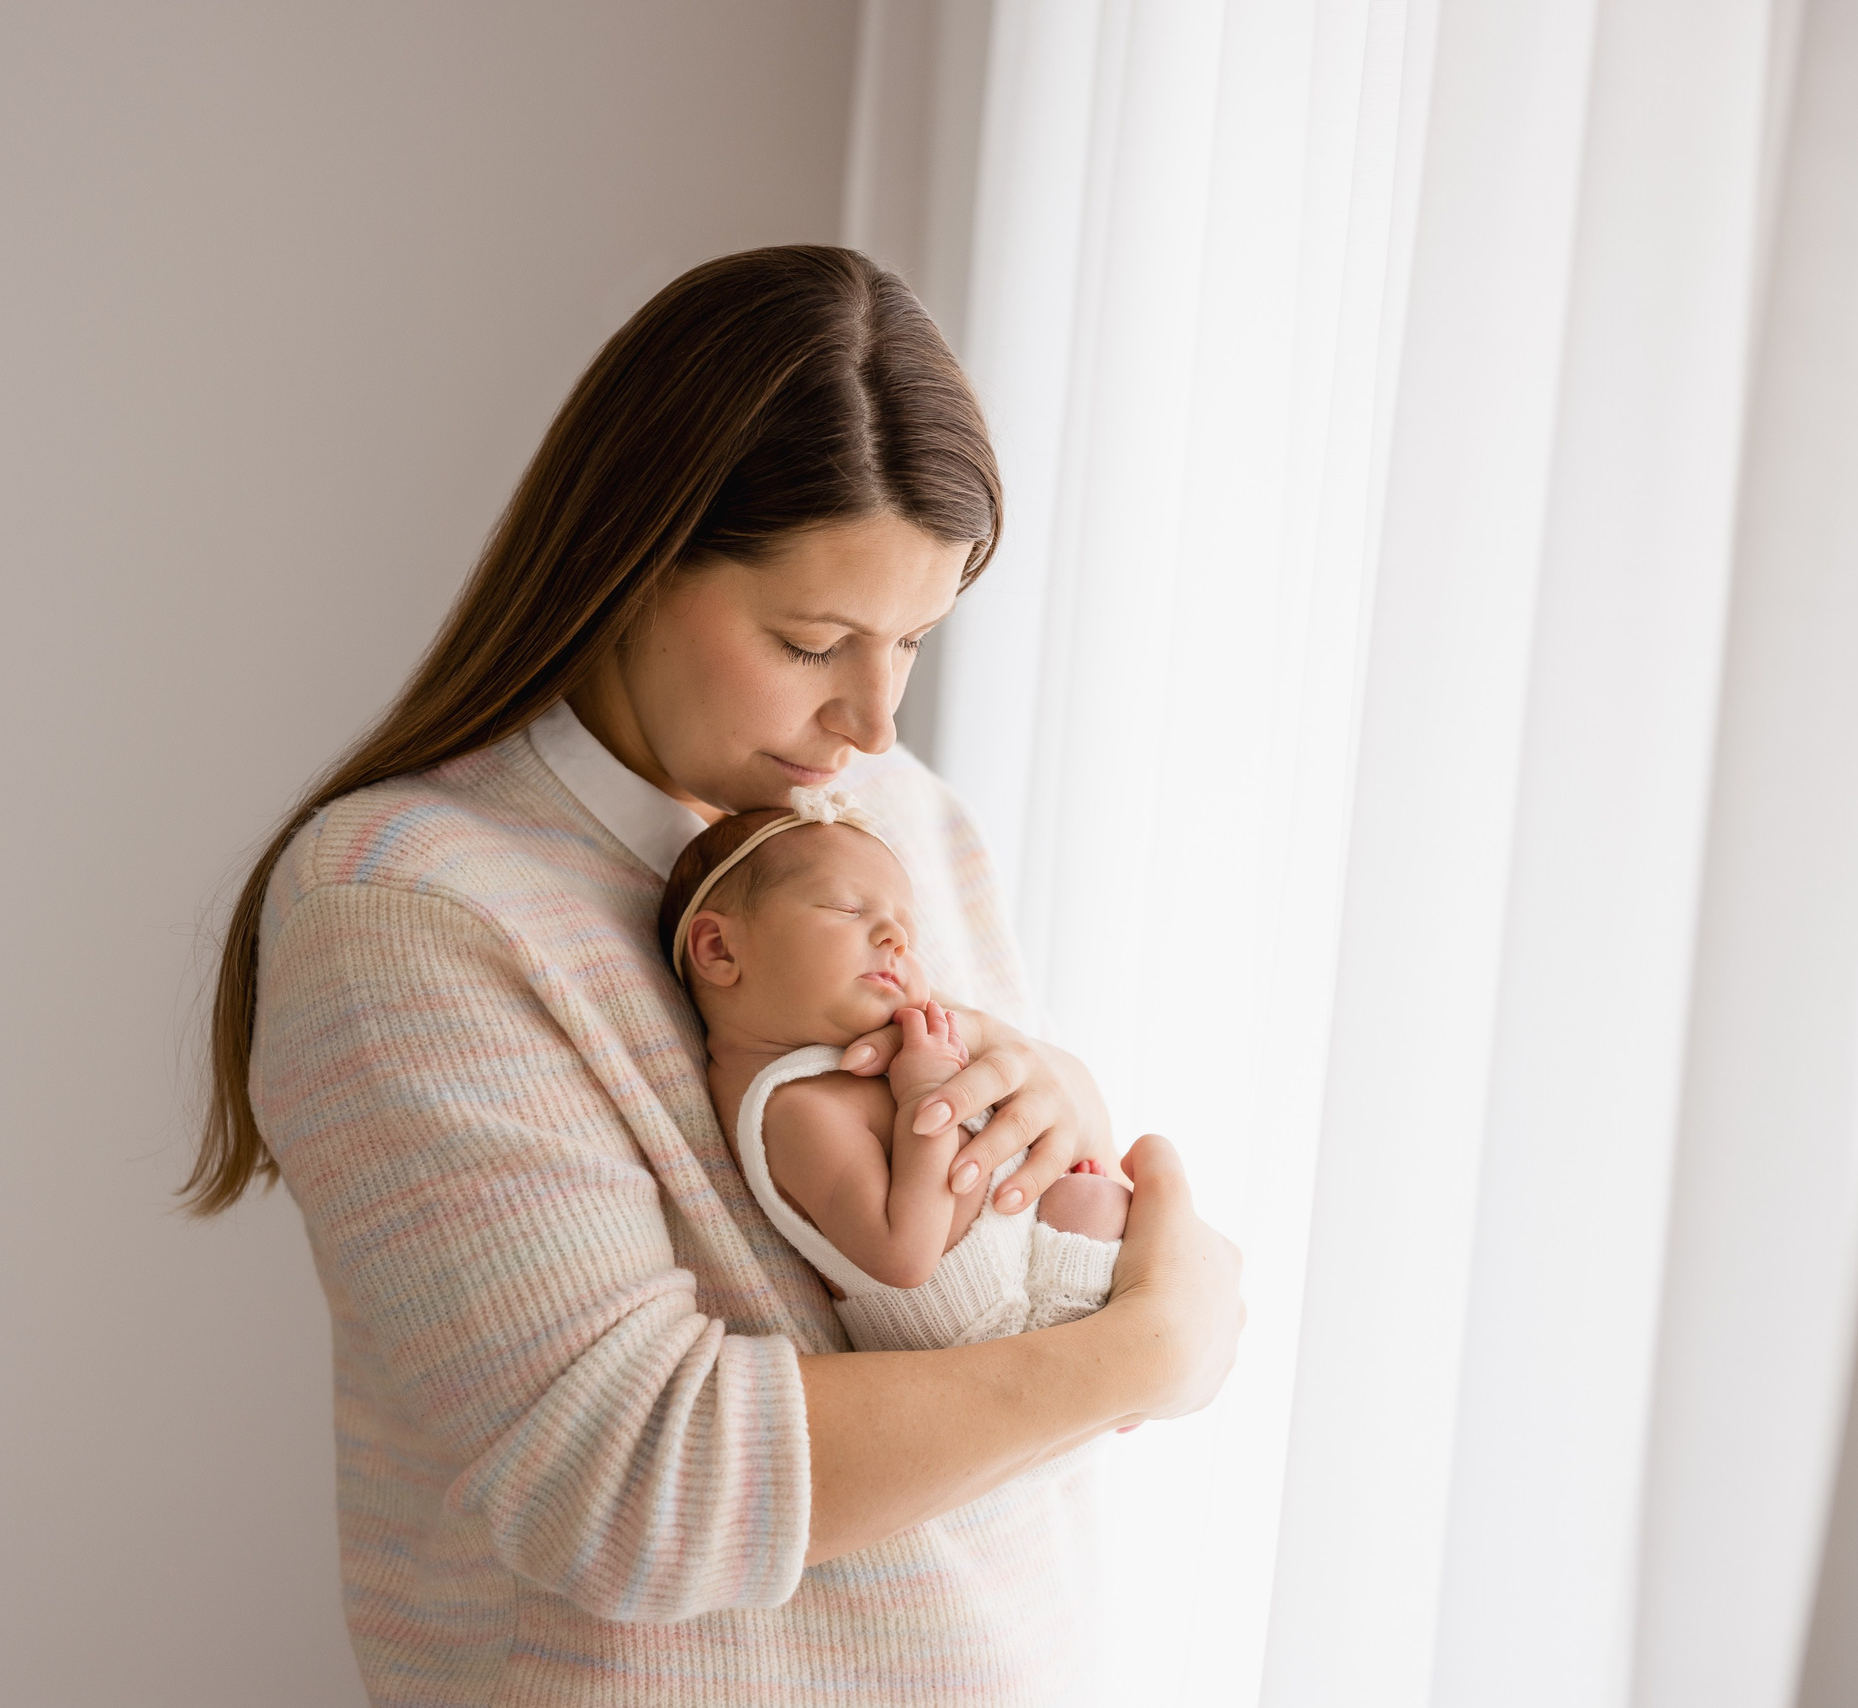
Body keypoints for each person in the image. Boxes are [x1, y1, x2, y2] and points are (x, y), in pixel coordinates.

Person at [190, 245, 1244, 1706]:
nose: (871, 718)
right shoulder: (408, 907)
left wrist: (1051, 1101)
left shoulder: (905, 823)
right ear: (630, 564)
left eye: (914, 644)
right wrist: (1150, 1354)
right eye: (813, 642)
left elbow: (1009, 1291)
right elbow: (627, 1484)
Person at [659, 791, 1128, 1350]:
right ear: (719, 950)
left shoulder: (847, 1059)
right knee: (1104, 1215)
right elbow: (905, 1256)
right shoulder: (795, 1109)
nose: (897, 940)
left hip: (1030, 1284)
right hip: (979, 1339)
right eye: (846, 909)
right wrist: (926, 1093)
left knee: (1105, 1203)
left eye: (909, 933)